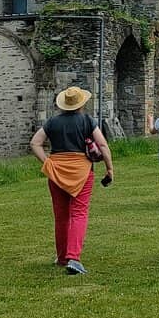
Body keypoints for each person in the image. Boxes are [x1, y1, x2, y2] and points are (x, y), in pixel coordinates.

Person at [29, 86, 114, 276]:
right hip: (81, 171)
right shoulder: (87, 121)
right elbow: (102, 144)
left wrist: (47, 161)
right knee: (79, 213)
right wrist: (109, 169)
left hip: (57, 171)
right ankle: (74, 257)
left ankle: (62, 257)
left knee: (61, 216)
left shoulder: (53, 122)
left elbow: (35, 143)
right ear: (81, 103)